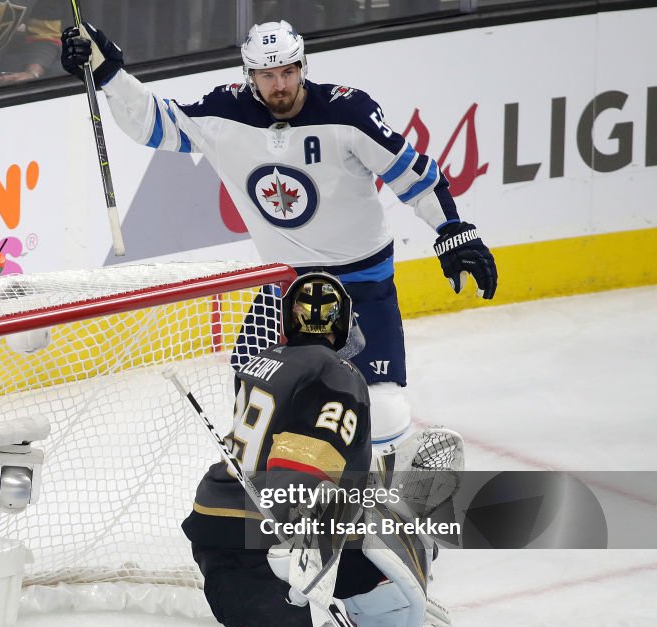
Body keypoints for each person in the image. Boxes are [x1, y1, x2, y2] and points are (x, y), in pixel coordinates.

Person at [60, 19, 499, 450]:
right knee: (254, 399)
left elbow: (414, 175)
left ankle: (379, 494)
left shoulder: (348, 113)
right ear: (248, 75)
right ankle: (272, 500)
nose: (280, 85)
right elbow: (154, 124)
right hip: (284, 289)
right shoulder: (225, 113)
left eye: (288, 71)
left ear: (303, 67)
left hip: (361, 286)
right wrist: (110, 75)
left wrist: (453, 228)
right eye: (267, 75)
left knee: (381, 408)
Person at [92, 273, 457, 627]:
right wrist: (298, 532)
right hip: (254, 538)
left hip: (246, 520)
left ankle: (396, 624)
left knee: (371, 564)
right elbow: (305, 462)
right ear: (344, 326)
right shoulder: (338, 374)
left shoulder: (264, 360)